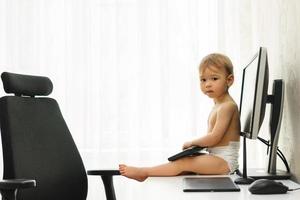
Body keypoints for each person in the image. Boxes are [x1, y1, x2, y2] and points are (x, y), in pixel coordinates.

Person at [119, 53, 240, 182]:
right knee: (183, 164)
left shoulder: (228, 106)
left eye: (214, 79)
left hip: (225, 162)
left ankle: (144, 172)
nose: (207, 84)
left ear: (229, 80)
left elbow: (214, 138)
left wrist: (193, 143)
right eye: (203, 80)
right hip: (217, 158)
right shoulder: (218, 105)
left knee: (185, 163)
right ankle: (148, 171)